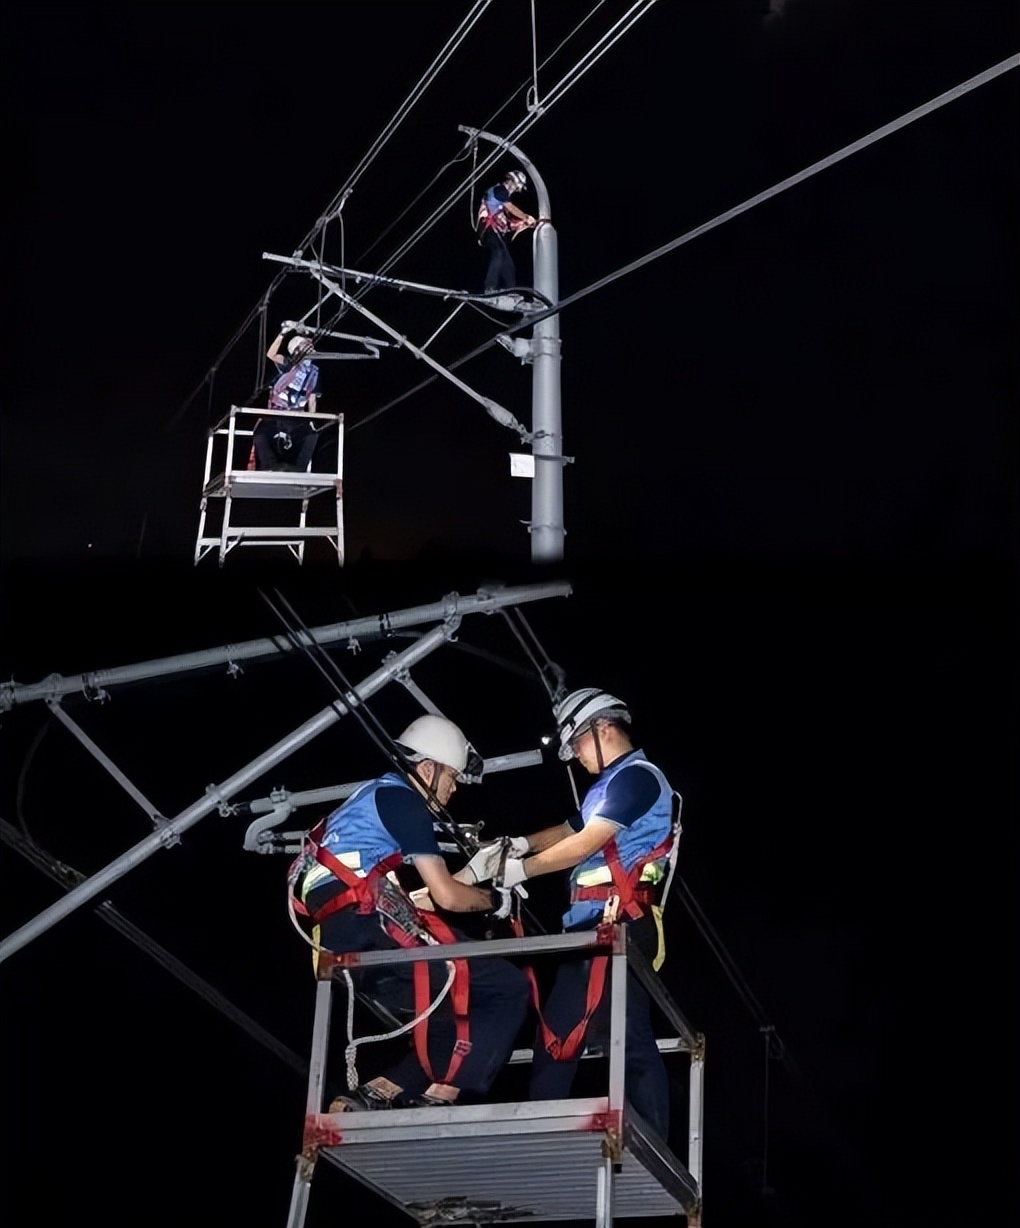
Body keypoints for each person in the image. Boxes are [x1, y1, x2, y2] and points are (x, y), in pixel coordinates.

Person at [291, 714, 531, 1112]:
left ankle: (374, 1093)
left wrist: (470, 877)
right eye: (451, 776)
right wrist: (496, 900)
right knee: (508, 986)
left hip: (338, 941)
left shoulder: (366, 804)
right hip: (369, 929)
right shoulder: (404, 801)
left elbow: (411, 898)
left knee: (447, 1014)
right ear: (427, 768)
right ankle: (446, 1095)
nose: (454, 788)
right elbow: (447, 897)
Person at [474, 688, 682, 1139]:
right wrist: (518, 845)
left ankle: (652, 1146)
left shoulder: (639, 778)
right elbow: (568, 829)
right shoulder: (608, 787)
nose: (575, 757)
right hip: (594, 929)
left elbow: (586, 842)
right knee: (558, 1039)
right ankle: (542, 1137)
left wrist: (521, 870)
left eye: (577, 744)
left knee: (626, 1037)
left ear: (603, 729)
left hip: (622, 922)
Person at [251, 327, 321, 471]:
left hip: (296, 415)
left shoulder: (313, 372)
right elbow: (271, 354)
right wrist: (282, 333)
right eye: (305, 346)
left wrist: (311, 420)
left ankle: (299, 468)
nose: (310, 348)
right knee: (260, 433)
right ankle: (270, 466)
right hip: (277, 413)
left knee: (311, 435)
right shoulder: (287, 363)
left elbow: (312, 399)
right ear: (296, 350)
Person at [476, 168, 537, 294]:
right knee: (498, 252)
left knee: (508, 265)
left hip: (494, 231)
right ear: (513, 183)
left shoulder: (501, 200)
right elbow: (511, 208)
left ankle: (511, 291)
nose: (514, 191)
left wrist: (525, 223)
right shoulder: (499, 190)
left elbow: (508, 222)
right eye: (516, 188)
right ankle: (490, 287)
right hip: (488, 228)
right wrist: (526, 217)